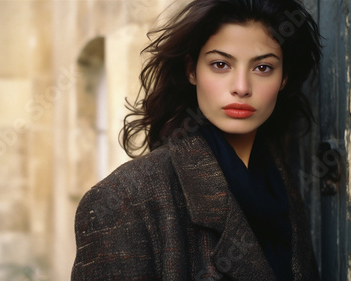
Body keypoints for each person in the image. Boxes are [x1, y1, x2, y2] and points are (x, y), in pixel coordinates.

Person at [71, 0, 322, 280]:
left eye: (262, 68)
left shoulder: (282, 185)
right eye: (220, 64)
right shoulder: (122, 201)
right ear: (192, 70)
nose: (241, 87)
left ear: (284, 78)